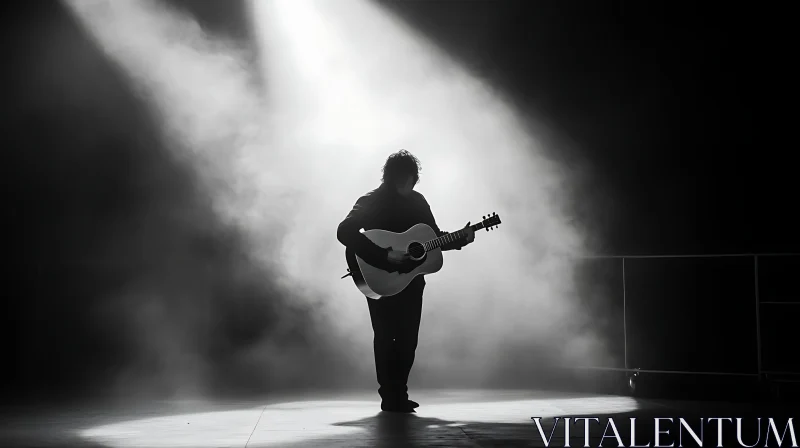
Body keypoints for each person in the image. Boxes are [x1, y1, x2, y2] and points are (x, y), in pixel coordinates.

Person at [337, 150, 475, 412]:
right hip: (378, 279)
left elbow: (432, 239)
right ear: (395, 178)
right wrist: (384, 255)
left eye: (410, 180)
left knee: (408, 338)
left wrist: (459, 239)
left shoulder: (417, 201)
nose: (408, 184)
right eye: (404, 179)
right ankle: (389, 396)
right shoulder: (371, 201)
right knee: (386, 336)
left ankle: (398, 394)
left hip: (411, 281)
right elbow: (344, 231)